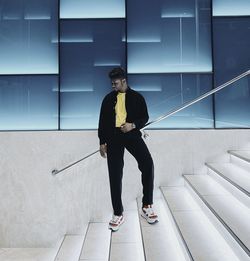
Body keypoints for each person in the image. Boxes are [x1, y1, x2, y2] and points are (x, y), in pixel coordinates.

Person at [98, 67, 158, 232]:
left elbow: (144, 117)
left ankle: (147, 205)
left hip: (131, 135)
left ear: (124, 81)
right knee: (115, 174)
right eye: (111, 83)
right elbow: (102, 121)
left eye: (115, 83)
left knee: (147, 163)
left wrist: (133, 125)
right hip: (113, 138)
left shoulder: (137, 97)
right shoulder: (108, 99)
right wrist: (102, 142)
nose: (113, 86)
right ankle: (118, 213)